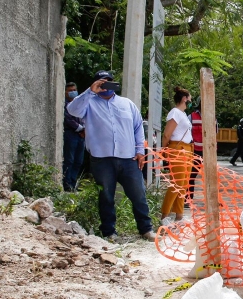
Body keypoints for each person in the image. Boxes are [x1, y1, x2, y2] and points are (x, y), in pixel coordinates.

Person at [66, 70, 155, 240]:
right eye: (101, 82)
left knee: (138, 194)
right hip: (102, 159)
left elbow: (138, 128)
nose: (105, 85)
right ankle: (109, 232)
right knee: (106, 196)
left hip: (129, 158)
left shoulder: (127, 104)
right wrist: (91, 91)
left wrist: (139, 151)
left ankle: (146, 229)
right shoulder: (88, 104)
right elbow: (72, 110)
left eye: (108, 82)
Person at [160, 86, 194, 225]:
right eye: (190, 99)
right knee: (176, 183)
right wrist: (164, 150)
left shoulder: (183, 114)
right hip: (178, 149)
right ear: (184, 99)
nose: (191, 102)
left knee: (184, 184)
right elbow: (167, 133)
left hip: (187, 149)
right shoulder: (175, 112)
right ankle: (164, 216)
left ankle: (179, 216)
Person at [62, 82, 85, 191]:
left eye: (74, 90)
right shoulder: (64, 105)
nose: (73, 92)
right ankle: (66, 184)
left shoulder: (79, 104)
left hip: (81, 136)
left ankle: (73, 183)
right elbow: (68, 120)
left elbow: (85, 117)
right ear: (65, 92)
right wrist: (82, 129)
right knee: (69, 160)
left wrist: (85, 129)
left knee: (78, 161)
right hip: (71, 134)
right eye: (70, 90)